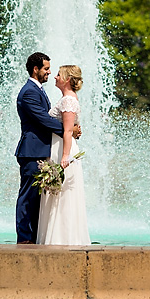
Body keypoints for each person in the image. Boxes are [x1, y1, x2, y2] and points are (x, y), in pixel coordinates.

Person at [14, 52, 80, 244]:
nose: (49, 72)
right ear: (36, 69)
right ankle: (25, 239)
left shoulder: (38, 90)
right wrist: (68, 130)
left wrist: (70, 130)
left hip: (41, 151)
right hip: (32, 151)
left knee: (37, 199)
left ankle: (34, 238)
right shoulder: (29, 92)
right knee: (28, 197)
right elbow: (42, 120)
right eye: (46, 69)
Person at [37, 65, 91, 245]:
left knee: (62, 195)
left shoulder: (68, 100)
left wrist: (64, 157)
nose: (55, 77)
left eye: (59, 74)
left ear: (67, 79)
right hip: (59, 147)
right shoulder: (67, 98)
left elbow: (67, 131)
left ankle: (61, 239)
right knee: (58, 195)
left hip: (63, 149)